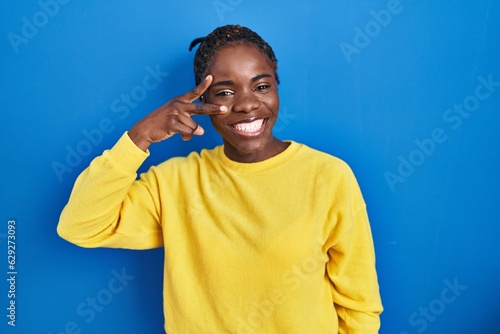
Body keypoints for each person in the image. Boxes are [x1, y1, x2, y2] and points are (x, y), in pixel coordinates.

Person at [58, 24, 383, 333]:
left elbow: (359, 304)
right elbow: (80, 227)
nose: (246, 104)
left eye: (261, 86)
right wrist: (139, 137)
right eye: (225, 92)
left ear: (276, 86)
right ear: (202, 102)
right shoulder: (174, 183)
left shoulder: (328, 176)